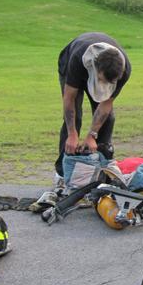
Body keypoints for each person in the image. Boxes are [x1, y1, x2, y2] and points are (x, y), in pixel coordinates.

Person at [55, 32, 131, 180]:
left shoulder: (124, 70)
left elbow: (105, 104)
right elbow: (69, 98)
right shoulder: (78, 59)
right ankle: (62, 172)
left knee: (107, 118)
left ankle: (102, 164)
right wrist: (72, 134)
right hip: (71, 61)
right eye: (102, 81)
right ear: (96, 70)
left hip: (101, 71)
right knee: (74, 119)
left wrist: (92, 136)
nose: (104, 86)